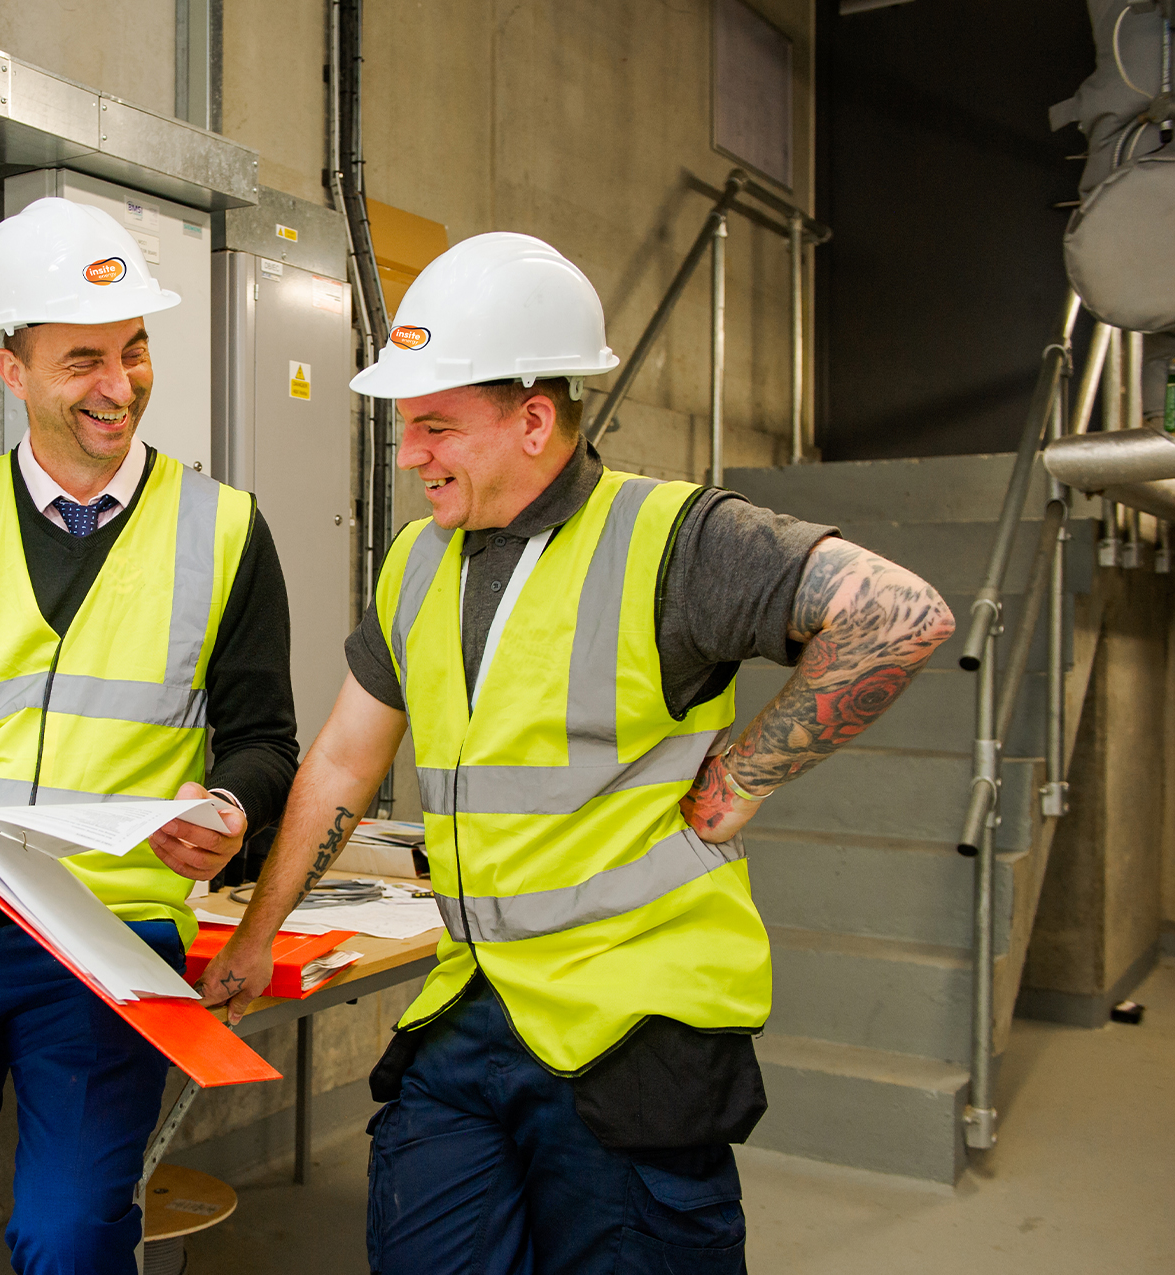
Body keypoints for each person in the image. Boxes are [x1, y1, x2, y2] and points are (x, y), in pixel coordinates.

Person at [196, 233, 955, 1272]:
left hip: (632, 1023)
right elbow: (339, 760)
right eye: (404, 428)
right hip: (470, 1008)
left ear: (534, 420)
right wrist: (258, 931)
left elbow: (900, 614)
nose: (409, 455)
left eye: (434, 428)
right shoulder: (418, 563)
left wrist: (743, 778)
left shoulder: (675, 539)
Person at [0, 197, 300, 1273]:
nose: (119, 385)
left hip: (102, 937)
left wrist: (231, 809)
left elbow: (266, 739)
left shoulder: (225, 529)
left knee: (69, 1235)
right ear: (13, 373)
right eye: (84, 358)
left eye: (134, 351)